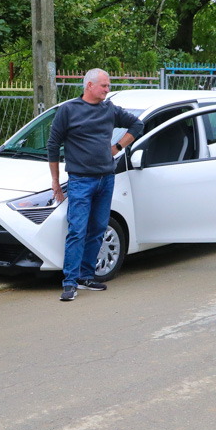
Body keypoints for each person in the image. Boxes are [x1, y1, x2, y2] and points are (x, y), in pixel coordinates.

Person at [46, 68, 143, 301]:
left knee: (98, 229)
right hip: (80, 180)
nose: (108, 90)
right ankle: (69, 282)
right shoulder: (68, 110)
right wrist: (56, 182)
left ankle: (86, 276)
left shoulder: (109, 109)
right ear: (89, 85)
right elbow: (52, 145)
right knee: (77, 230)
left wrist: (117, 148)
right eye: (104, 86)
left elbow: (137, 126)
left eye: (108, 86)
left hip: (106, 179)